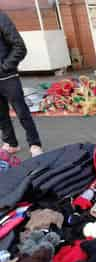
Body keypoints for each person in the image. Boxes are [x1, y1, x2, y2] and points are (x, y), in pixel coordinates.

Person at [0, 11, 43, 156]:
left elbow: (19, 46)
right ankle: (11, 143)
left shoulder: (1, 17)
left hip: (7, 76)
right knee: (1, 114)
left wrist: (4, 67)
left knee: (22, 111)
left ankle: (35, 144)